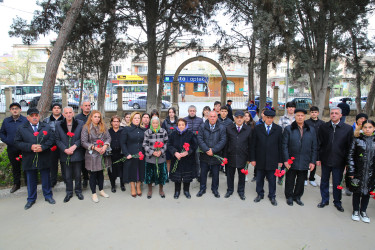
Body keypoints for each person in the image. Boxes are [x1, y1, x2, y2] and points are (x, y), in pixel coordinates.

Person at [14, 108, 55, 210]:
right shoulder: (21, 128)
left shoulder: (46, 126)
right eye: (32, 116)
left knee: (46, 177)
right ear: (28, 118)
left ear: (39, 116)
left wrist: (43, 147)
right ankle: (31, 199)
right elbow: (17, 142)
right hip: (29, 157)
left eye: (36, 115)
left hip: (44, 156)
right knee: (31, 179)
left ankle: (48, 196)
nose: (35, 117)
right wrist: (30, 147)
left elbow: (52, 139)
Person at [317, 107, 353, 212]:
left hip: (339, 161)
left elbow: (350, 146)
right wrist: (318, 158)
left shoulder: (347, 129)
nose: (333, 115)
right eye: (332, 113)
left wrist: (347, 162)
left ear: (340, 115)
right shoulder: (323, 127)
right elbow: (319, 143)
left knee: (337, 183)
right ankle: (324, 200)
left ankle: (337, 202)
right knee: (324, 181)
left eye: (336, 113)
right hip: (326, 159)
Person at [282, 108, 317, 206]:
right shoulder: (289, 129)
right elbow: (284, 145)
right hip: (292, 160)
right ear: (295, 116)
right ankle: (289, 196)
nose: (300, 117)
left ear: (305, 117)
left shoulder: (311, 130)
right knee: (290, 179)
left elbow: (314, 146)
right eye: (298, 115)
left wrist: (312, 161)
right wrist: (286, 160)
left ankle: (297, 196)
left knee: (301, 180)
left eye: (302, 115)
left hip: (305, 160)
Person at [250, 110, 283, 206]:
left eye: (271, 118)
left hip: (272, 160)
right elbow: (253, 145)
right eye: (267, 117)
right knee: (259, 178)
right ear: (264, 118)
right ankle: (260, 194)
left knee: (272, 180)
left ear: (273, 118)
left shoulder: (278, 129)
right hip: (260, 159)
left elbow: (280, 146)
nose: (269, 119)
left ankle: (272, 196)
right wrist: (252, 159)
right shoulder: (257, 128)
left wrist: (280, 160)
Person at [55, 106, 85, 202]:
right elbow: (57, 139)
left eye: (70, 112)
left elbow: (82, 138)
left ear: (73, 113)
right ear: (63, 114)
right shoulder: (58, 124)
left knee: (77, 175)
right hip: (65, 154)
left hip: (77, 153)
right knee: (67, 175)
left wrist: (74, 146)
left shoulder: (80, 123)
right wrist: (65, 149)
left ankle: (78, 191)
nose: (68, 114)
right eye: (66, 113)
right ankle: (69, 192)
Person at [347, 120, 375, 223]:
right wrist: (351, 171)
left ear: (373, 128)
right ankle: (355, 211)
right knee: (357, 192)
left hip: (371, 173)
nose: (368, 129)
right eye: (365, 127)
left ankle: (363, 211)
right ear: (362, 129)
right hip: (358, 172)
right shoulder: (357, 140)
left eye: (370, 127)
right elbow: (350, 156)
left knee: (367, 192)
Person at [81, 110, 111, 203]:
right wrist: (94, 147)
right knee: (93, 174)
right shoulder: (86, 127)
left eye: (98, 117)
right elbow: (83, 142)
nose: (97, 118)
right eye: (95, 116)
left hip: (102, 152)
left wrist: (105, 146)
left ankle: (101, 190)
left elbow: (108, 137)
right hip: (92, 153)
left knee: (100, 173)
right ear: (91, 117)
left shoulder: (103, 126)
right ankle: (94, 193)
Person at [197, 111, 227, 198]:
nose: (212, 118)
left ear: (217, 117)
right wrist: (206, 149)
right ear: (208, 117)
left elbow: (223, 140)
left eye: (214, 116)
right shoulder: (202, 126)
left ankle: (215, 189)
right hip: (204, 154)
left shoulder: (222, 127)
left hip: (216, 155)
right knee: (203, 173)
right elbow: (199, 139)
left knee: (215, 174)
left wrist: (213, 150)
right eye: (211, 116)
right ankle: (202, 189)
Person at [224, 110, 252, 200]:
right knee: (230, 175)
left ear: (244, 118)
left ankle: (241, 191)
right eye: (237, 118)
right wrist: (225, 156)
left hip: (243, 156)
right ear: (234, 118)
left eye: (241, 118)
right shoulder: (229, 128)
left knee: (242, 175)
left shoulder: (248, 129)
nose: (239, 120)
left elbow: (250, 145)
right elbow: (226, 143)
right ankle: (230, 190)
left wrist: (249, 158)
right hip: (231, 155)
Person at [0, 102, 27, 193]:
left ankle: (28, 184)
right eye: (13, 109)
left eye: (16, 108)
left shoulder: (25, 120)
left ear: (20, 110)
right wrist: (7, 140)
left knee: (26, 166)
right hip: (12, 148)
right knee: (15, 167)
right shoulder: (6, 121)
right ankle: (16, 184)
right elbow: (2, 133)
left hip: (23, 148)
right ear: (10, 110)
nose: (15, 110)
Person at [168, 118, 198, 199]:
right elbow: (169, 145)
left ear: (185, 125)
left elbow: (194, 145)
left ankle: (186, 191)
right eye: (179, 125)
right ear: (177, 125)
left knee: (186, 177)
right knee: (177, 177)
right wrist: (175, 152)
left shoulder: (190, 134)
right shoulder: (173, 134)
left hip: (187, 159)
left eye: (182, 125)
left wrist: (187, 152)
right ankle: (177, 191)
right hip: (176, 158)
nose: (181, 126)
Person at [121, 112, 146, 197]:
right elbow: (123, 143)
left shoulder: (144, 129)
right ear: (132, 119)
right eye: (135, 118)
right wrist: (126, 153)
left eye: (138, 118)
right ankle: (132, 186)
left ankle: (138, 186)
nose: (137, 120)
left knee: (140, 170)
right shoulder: (126, 129)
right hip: (130, 154)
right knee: (132, 170)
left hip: (141, 154)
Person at [143, 117, 168, 199]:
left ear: (159, 124)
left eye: (156, 123)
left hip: (161, 156)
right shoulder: (147, 132)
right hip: (150, 157)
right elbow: (145, 145)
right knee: (149, 175)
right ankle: (150, 190)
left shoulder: (163, 131)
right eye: (153, 123)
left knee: (161, 174)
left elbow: (166, 143)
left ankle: (161, 190)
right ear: (151, 124)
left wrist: (161, 151)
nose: (155, 125)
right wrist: (152, 152)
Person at [44, 103, 64, 187]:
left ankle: (66, 179)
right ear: (52, 110)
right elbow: (45, 133)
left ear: (60, 110)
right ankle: (53, 180)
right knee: (53, 164)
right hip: (52, 146)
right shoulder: (46, 120)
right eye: (54, 108)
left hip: (63, 145)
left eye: (58, 108)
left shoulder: (65, 119)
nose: (56, 109)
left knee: (64, 163)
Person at [304, 106, 325, 187]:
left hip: (317, 146)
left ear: (318, 113)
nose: (314, 113)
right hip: (307, 145)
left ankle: (312, 178)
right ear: (310, 113)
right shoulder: (306, 123)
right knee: (306, 162)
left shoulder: (322, 123)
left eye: (315, 112)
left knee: (314, 162)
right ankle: (305, 178)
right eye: (312, 112)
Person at [277, 101, 296, 185]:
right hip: (285, 142)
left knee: (293, 160)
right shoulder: (282, 118)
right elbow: (279, 130)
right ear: (287, 108)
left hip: (295, 143)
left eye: (292, 107)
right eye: (289, 107)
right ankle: (280, 177)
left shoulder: (297, 117)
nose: (291, 109)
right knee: (284, 159)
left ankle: (291, 178)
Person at [75, 100, 91, 188]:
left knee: (93, 161)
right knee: (83, 163)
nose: (87, 107)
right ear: (82, 107)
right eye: (86, 105)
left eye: (89, 105)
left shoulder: (93, 116)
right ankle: (85, 178)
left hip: (92, 143)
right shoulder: (77, 118)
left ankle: (93, 178)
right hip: (81, 144)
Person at [185, 105, 203, 180]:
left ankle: (198, 174)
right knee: (187, 159)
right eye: (190, 111)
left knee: (197, 159)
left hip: (197, 143)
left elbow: (202, 131)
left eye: (193, 111)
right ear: (188, 111)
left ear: (196, 111)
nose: (192, 112)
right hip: (187, 143)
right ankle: (188, 174)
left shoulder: (200, 120)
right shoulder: (184, 120)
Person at [108, 115, 125, 193]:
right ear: (111, 123)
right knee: (112, 170)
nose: (116, 123)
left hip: (121, 153)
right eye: (114, 121)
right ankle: (113, 185)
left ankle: (122, 184)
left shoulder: (123, 131)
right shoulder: (108, 131)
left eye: (117, 121)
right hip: (111, 154)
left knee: (122, 169)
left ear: (119, 122)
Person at [161, 107, 178, 173]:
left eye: (172, 112)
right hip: (168, 143)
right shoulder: (165, 121)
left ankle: (174, 172)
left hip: (176, 143)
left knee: (175, 159)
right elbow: (163, 131)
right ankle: (168, 173)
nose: (171, 114)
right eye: (170, 112)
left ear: (174, 113)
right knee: (168, 159)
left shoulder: (177, 121)